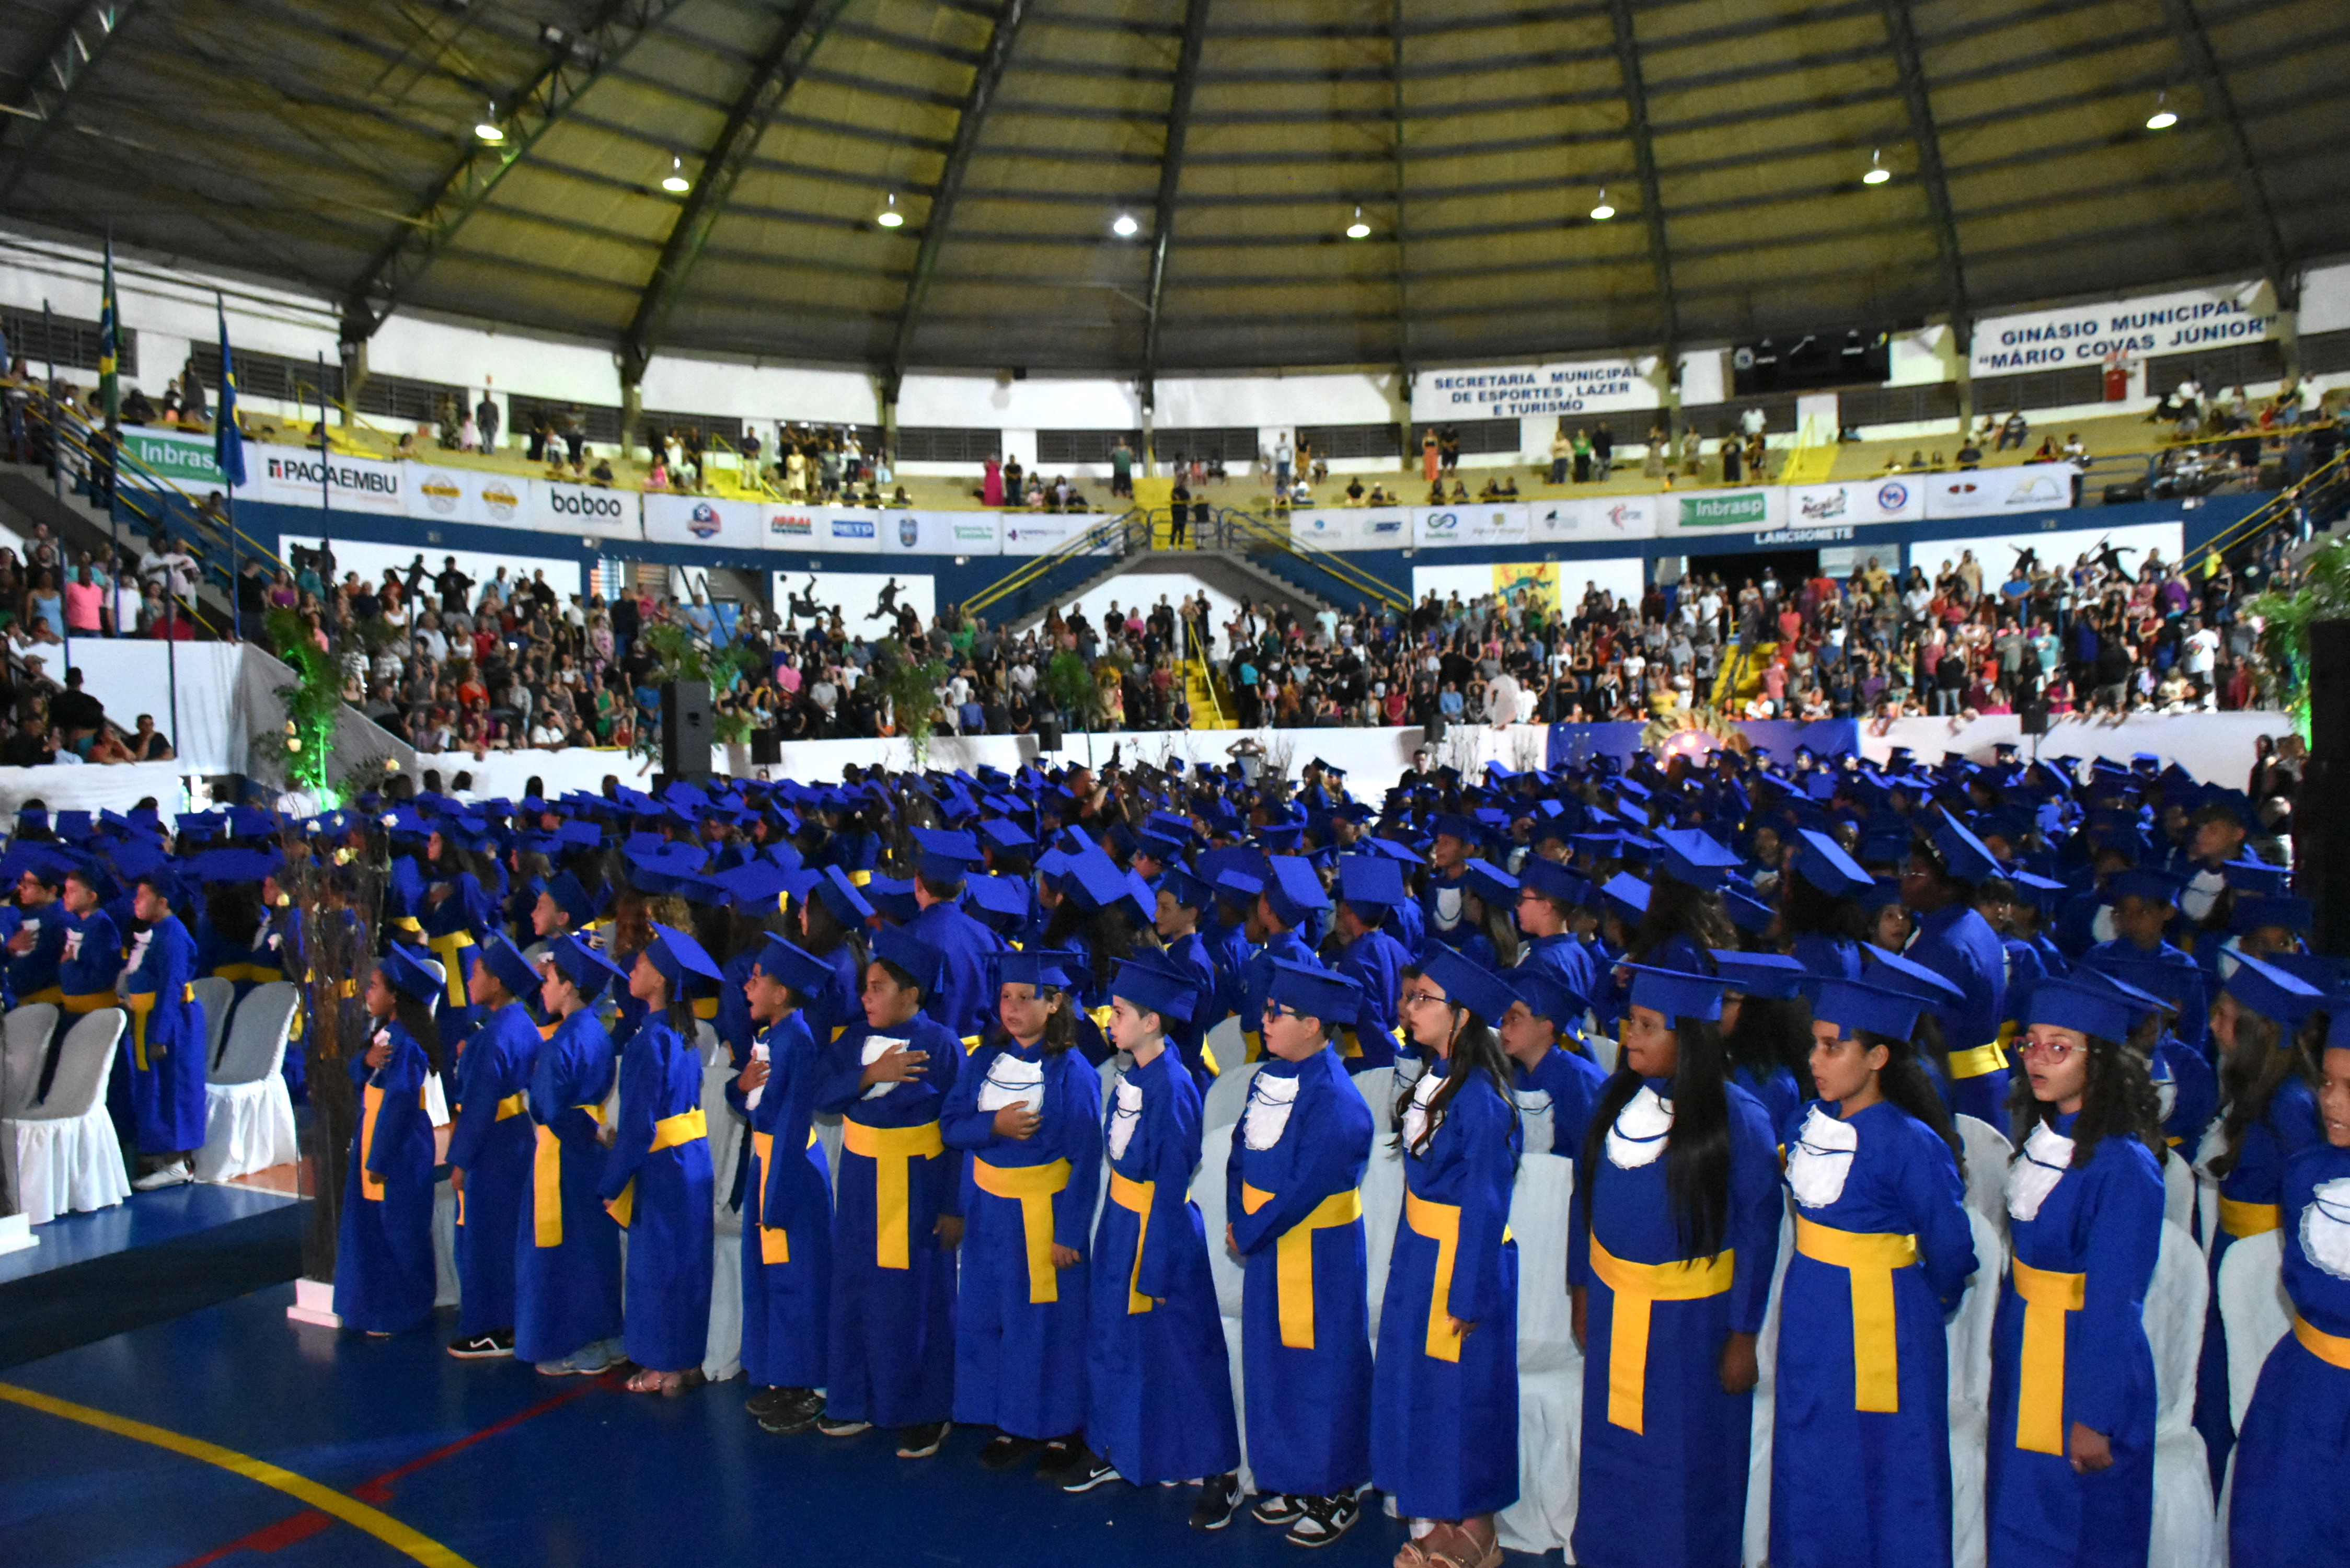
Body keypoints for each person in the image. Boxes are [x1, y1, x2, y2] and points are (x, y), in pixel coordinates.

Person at [1570, 964, 1780, 1568]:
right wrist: (1581, 1289)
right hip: (1614, 1312)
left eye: (1646, 1026)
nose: (1630, 1036)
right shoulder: (1611, 1103)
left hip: (1691, 1331)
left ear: (1688, 1038)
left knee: (1685, 1459)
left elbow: (1756, 1235)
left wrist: (1742, 1334)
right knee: (1612, 1451)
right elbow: (1582, 1202)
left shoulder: (1738, 1120)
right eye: (1629, 1022)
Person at [1771, 976, 1977, 1568]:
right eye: (1813, 1044)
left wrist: (1927, 1298)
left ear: (1877, 1057)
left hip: (1881, 1321)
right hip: (1812, 1307)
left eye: (1832, 1047)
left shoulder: (1910, 1143)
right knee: (1809, 1448)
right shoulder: (1806, 1122)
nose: (1815, 1060)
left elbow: (1950, 1246)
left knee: (1887, 1459)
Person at [1986, 977, 2167, 1568]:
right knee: (2020, 1509)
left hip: (2085, 1366)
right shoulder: (2044, 1138)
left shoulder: (2124, 1166)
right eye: (2029, 1044)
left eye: (2058, 1047)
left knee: (2081, 1528)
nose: (2036, 1058)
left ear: (2101, 1060)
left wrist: (2094, 1416)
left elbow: (2115, 1302)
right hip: (2027, 1348)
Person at [1076, 953, 1241, 1524]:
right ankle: (1117, 1446)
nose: (1108, 1022)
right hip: (1121, 1222)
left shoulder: (1172, 1087)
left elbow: (1171, 1181)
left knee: (1182, 1351)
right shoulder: (1132, 1072)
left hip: (1159, 1229)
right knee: (1114, 1338)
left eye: (1118, 1012)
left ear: (1151, 1023)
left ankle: (1219, 1470)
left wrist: (1157, 1261)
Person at [1377, 950, 1523, 1568]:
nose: (1409, 1008)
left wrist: (1467, 1294)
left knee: (1466, 1393)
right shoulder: (1432, 1082)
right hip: (1421, 1254)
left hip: (1465, 1260)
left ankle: (1479, 1527)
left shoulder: (1482, 1100)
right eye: (1411, 997)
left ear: (1460, 1017)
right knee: (1426, 1388)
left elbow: (1486, 1207)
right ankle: (1440, 1514)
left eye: (1424, 999)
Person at [940, 949, 1102, 1478]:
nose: (1011, 1008)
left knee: (1046, 1323)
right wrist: (993, 1126)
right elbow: (950, 1126)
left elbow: (1084, 1161)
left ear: (1054, 1004)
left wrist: (1070, 1233)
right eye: (1005, 997)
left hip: (1042, 1217)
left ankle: (1060, 1427)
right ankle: (1008, 1419)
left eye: (1025, 998)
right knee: (991, 1317)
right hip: (989, 1212)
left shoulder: (1071, 1074)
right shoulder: (983, 1060)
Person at [1231, 960, 1376, 1547]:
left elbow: (1304, 1185)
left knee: (1325, 1365)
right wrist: (1238, 1215)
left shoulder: (1337, 1100)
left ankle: (1337, 1484)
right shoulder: (1267, 1077)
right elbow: (1239, 1153)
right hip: (1269, 1242)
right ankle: (1291, 1475)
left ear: (1315, 1025)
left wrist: (1248, 1230)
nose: (1263, 1019)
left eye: (1277, 1013)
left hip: (1319, 1254)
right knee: (1274, 1362)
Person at [813, 924, 964, 1456]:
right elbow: (822, 1095)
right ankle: (853, 1397)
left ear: (911, 994)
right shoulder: (853, 1040)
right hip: (860, 1181)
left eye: (877, 987)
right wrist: (868, 1075)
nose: (865, 997)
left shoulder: (941, 1046)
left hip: (917, 1184)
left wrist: (953, 1207)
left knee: (915, 1296)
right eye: (864, 987)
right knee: (854, 1286)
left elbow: (956, 1133)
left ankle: (925, 1409)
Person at [2226, 1016, 2350, 1566]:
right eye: (2326, 1083)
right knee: (2284, 1533)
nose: (2330, 1102)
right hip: (2304, 1395)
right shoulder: (2304, 1174)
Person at [601, 924, 720, 1394]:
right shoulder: (684, 1035)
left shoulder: (649, 1042)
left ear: (665, 981)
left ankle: (663, 1364)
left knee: (657, 1269)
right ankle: (683, 1360)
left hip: (662, 1169)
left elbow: (638, 1127)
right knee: (685, 1265)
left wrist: (610, 1183)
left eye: (646, 963)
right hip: (691, 1161)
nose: (635, 966)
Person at [740, 935, 838, 1436]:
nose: (748, 986)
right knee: (772, 1276)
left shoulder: (797, 1042)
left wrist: (774, 1198)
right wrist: (742, 1088)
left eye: (758, 979)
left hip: (791, 1171)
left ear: (782, 994)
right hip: (768, 1164)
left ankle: (807, 1384)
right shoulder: (772, 1037)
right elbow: (755, 1108)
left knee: (799, 1279)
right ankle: (782, 1376)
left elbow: (795, 1118)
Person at [515, 935, 625, 1377]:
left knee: (559, 1254)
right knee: (595, 1249)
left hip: (560, 1159)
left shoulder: (562, 1043)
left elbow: (547, 1107)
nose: (543, 986)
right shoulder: (597, 1031)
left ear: (568, 986)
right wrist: (596, 1130)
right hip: (591, 1157)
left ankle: (567, 1340)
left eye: (549, 979)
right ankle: (606, 1335)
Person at [333, 945, 447, 1335]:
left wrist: (378, 1160)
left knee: (399, 1228)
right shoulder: (384, 1035)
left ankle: (404, 1308)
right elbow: (358, 1067)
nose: (367, 992)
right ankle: (374, 1306)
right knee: (374, 1229)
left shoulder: (407, 1044)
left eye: (375, 986)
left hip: (396, 1147)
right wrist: (364, 1063)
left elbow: (399, 1103)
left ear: (396, 995)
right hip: (374, 1137)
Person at [444, 935, 544, 1360]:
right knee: (511, 1236)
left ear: (499, 982)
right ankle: (514, 1320)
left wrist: (460, 1160)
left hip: (492, 1149)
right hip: (518, 1140)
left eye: (478, 972)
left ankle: (490, 1326)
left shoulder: (492, 1038)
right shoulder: (520, 1024)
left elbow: (481, 1105)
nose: (470, 979)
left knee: (485, 1239)